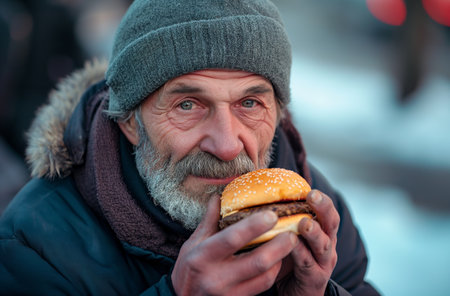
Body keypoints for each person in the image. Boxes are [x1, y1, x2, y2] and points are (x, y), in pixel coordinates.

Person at [0, 0, 380, 295]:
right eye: (187, 105)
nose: (227, 146)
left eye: (249, 104)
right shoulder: (37, 243)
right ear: (130, 121)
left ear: (278, 113)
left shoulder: (314, 211)